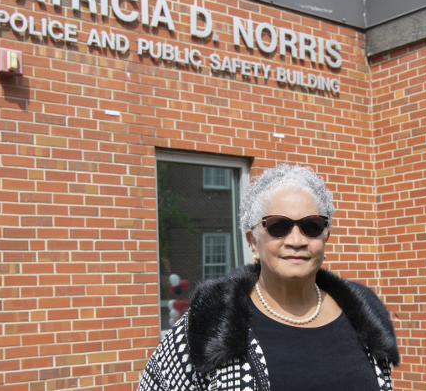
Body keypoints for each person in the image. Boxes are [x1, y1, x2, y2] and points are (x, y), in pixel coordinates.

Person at [137, 164, 400, 391]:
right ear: (253, 240)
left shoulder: (365, 311)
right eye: (278, 227)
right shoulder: (212, 319)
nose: (296, 241)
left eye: (311, 226)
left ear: (325, 235)